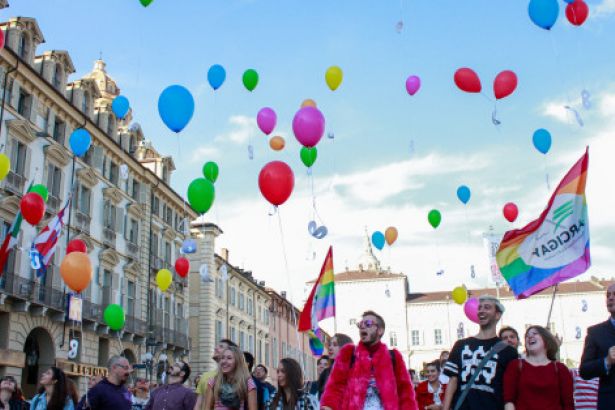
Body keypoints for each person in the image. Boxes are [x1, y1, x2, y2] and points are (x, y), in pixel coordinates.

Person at [321, 310, 418, 410]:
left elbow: (405, 392)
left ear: (380, 330)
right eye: (360, 324)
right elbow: (335, 386)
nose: (362, 327)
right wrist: (328, 406)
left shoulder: (394, 357)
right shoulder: (348, 354)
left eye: (368, 324)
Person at [442, 295, 518, 410]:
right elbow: (453, 381)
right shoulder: (461, 345)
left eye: (487, 307)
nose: (481, 310)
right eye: (479, 308)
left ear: (497, 315)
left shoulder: (508, 351)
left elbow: (510, 389)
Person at [503, 325, 573, 410]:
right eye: (527, 336)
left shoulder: (560, 369)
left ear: (546, 339)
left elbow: (568, 404)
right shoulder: (515, 365)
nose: (530, 336)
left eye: (535, 333)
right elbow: (509, 400)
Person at [580, 283, 615, 409]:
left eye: (614, 294)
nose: (610, 298)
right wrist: (606, 361)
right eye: (608, 295)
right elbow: (584, 370)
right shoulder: (595, 332)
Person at [204, 346, 256, 410]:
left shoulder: (247, 383)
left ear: (238, 361)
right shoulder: (213, 382)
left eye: (229, 358)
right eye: (222, 358)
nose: (224, 361)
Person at [194, 339, 238, 410]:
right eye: (217, 346)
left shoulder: (238, 378)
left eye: (221, 346)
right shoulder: (205, 376)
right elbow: (198, 404)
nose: (215, 348)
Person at [315, 334, 352, 398]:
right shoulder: (325, 373)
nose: (330, 348)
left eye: (335, 345)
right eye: (330, 345)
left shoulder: (354, 371)